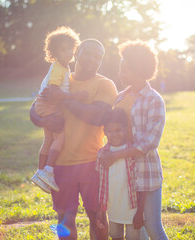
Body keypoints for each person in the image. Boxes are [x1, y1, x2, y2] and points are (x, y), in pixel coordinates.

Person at [30, 38, 118, 239]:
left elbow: (97, 116)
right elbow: (36, 107)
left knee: (98, 217)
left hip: (92, 163)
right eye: (88, 53)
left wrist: (62, 98)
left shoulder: (105, 84)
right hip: (60, 165)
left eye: (98, 56)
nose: (93, 59)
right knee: (64, 219)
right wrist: (39, 119)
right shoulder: (60, 78)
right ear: (76, 53)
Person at [98, 40, 169, 240]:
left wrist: (116, 155)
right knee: (137, 231)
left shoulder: (154, 100)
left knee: (153, 226)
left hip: (146, 173)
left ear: (138, 70)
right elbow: (112, 131)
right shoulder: (120, 97)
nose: (120, 74)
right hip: (122, 174)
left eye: (124, 70)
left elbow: (150, 142)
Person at [30, 26, 86, 193]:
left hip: (43, 104)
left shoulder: (63, 67)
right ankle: (48, 170)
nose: (68, 52)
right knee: (59, 138)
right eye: (63, 49)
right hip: (48, 105)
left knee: (48, 139)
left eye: (70, 48)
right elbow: (54, 91)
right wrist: (75, 96)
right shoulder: (59, 68)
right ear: (54, 53)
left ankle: (39, 172)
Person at [96, 108, 148, 240]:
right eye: (110, 131)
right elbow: (100, 185)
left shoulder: (132, 153)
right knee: (115, 237)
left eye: (118, 130)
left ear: (125, 129)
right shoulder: (102, 154)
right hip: (113, 210)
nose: (114, 134)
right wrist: (100, 212)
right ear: (104, 132)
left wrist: (140, 212)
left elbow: (142, 183)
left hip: (133, 210)